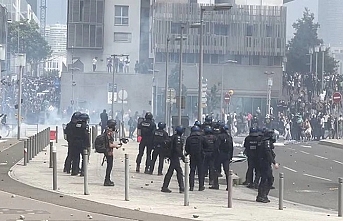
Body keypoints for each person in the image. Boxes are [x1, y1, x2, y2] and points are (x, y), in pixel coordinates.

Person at [256, 129, 279, 203]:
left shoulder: (262, 141)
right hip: (264, 163)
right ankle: (262, 195)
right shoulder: (266, 142)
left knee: (266, 179)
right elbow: (268, 152)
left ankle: (262, 195)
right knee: (267, 179)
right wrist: (274, 162)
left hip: (262, 162)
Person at [161, 126, 185, 193]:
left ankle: (165, 186)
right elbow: (177, 149)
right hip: (175, 157)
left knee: (171, 172)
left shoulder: (173, 137)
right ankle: (181, 188)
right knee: (179, 172)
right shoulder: (178, 138)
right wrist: (182, 157)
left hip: (172, 156)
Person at [211, 125, 233, 190]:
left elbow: (216, 147)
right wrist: (230, 157)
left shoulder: (219, 137)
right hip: (227, 156)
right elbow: (231, 148)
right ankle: (229, 186)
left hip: (219, 156)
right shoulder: (229, 137)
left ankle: (216, 184)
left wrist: (215, 155)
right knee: (227, 171)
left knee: (216, 170)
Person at [185, 125, 206, 191]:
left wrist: (189, 153)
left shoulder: (189, 138)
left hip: (192, 156)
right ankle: (201, 186)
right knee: (200, 171)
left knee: (192, 171)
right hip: (200, 156)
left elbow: (186, 148)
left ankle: (191, 186)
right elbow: (206, 146)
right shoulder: (202, 138)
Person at [103, 119, 122, 186]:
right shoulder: (109, 133)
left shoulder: (108, 131)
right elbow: (110, 144)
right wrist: (116, 146)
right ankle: (107, 180)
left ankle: (108, 179)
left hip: (108, 151)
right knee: (109, 166)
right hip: (108, 152)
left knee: (109, 166)